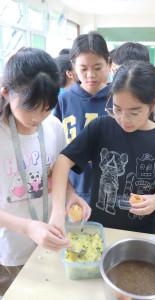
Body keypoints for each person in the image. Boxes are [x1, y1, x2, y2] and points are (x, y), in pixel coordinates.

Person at [50, 61, 155, 237]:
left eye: (134, 113)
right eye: (117, 109)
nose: (124, 120)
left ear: (154, 104)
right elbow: (62, 161)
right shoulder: (101, 127)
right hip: (99, 228)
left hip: (142, 231)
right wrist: (61, 206)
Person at [0, 47, 90, 297]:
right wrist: (28, 227)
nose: (38, 117)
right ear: (6, 93)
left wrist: (70, 194)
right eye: (30, 108)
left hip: (49, 242)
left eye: (47, 108)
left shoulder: (53, 126)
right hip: (8, 251)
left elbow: (56, 172)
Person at [53, 31, 111, 205]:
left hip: (110, 188)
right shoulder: (64, 99)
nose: (90, 75)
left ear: (108, 63)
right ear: (73, 66)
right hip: (74, 188)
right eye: (83, 69)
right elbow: (56, 143)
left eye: (97, 68)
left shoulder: (118, 98)